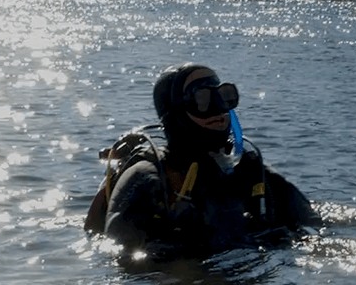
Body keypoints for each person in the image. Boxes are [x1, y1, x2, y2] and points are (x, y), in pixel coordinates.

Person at [85, 63, 318, 260]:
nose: (219, 109)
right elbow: (119, 256)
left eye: (224, 96)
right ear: (175, 112)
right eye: (203, 99)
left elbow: (319, 225)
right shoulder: (147, 177)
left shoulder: (248, 172)